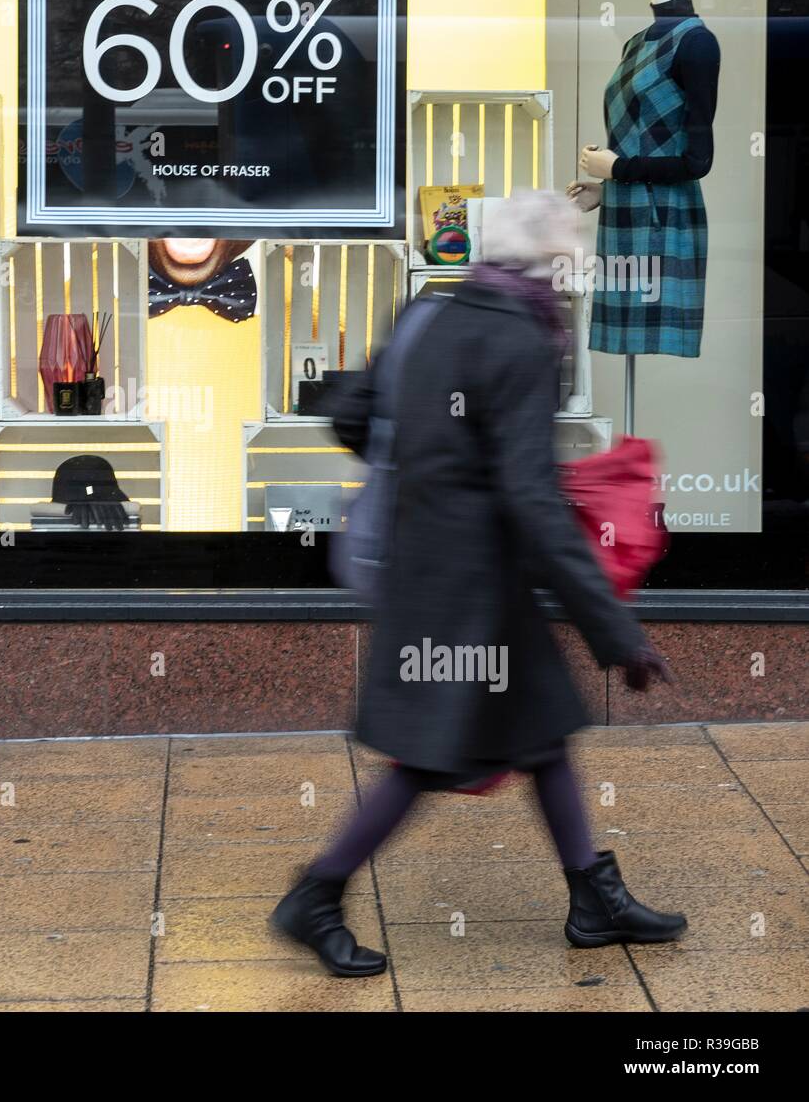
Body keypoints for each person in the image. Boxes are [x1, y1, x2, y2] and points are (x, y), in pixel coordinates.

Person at [271, 190, 685, 977]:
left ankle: (593, 896)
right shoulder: (525, 341)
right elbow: (529, 495)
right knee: (433, 756)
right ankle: (316, 894)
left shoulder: (431, 312)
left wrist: (429, 469)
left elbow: (353, 414)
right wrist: (616, 632)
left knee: (539, 731)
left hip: (434, 567)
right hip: (470, 586)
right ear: (553, 263)